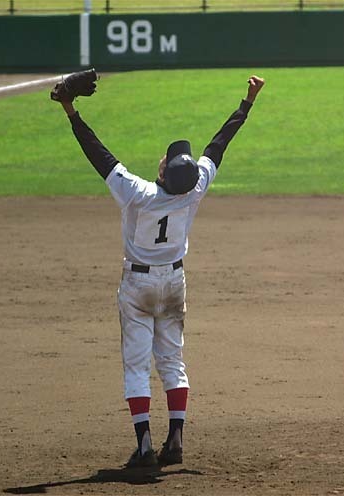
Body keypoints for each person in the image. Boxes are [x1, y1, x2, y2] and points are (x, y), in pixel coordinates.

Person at [57, 74, 265, 468]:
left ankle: (144, 445)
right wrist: (247, 103)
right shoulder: (195, 189)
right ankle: (177, 439)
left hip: (138, 284)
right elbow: (218, 146)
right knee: (172, 360)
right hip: (174, 283)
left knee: (137, 364)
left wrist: (71, 110)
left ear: (165, 175)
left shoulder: (138, 193)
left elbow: (98, 154)